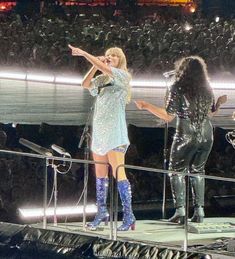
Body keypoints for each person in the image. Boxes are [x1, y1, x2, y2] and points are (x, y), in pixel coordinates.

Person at [135, 56, 227, 224]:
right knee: (198, 171)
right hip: (207, 134)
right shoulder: (207, 88)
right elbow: (210, 114)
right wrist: (218, 104)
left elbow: (168, 116)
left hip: (186, 133)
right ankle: (199, 211)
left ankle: (180, 212)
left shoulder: (176, 86)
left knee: (176, 171)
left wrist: (146, 106)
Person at [68, 44, 135, 231]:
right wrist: (94, 65)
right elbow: (85, 84)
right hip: (99, 133)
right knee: (100, 176)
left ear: (120, 59)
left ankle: (128, 215)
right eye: (108, 55)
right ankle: (101, 212)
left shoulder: (123, 76)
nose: (110, 57)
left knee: (118, 173)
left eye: (114, 55)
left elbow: (108, 68)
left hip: (115, 132)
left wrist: (84, 53)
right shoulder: (102, 80)